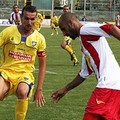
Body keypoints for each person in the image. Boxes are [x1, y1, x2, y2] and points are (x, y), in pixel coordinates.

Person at [51, 12, 120, 120]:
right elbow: (84, 73)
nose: (64, 34)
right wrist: (65, 89)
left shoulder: (85, 30)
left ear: (71, 23)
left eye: (64, 29)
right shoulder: (84, 44)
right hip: (114, 86)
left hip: (108, 85)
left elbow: (110, 28)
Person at [0, 5, 46, 120]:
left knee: (22, 91)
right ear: (21, 17)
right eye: (26, 18)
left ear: (36, 19)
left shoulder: (39, 38)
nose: (29, 22)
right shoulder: (9, 32)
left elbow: (42, 65)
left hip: (25, 75)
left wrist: (39, 89)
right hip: (6, 71)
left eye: (32, 19)